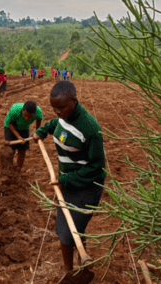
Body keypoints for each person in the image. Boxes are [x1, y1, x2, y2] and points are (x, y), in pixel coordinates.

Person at [33, 81, 106, 278]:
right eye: (54, 109)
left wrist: (67, 179)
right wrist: (43, 130)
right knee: (71, 227)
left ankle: (70, 272)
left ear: (75, 101)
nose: (58, 112)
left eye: (62, 107)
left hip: (87, 186)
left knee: (68, 231)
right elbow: (57, 124)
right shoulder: (63, 116)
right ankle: (77, 269)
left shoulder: (89, 128)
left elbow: (97, 167)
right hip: (67, 182)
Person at [4, 101, 42, 171]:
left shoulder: (38, 112)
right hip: (11, 125)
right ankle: (9, 170)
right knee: (11, 150)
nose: (27, 118)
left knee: (22, 150)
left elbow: (39, 120)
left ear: (34, 114)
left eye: (30, 117)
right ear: (23, 110)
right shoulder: (15, 110)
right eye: (25, 115)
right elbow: (9, 123)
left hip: (24, 127)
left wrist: (37, 132)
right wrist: (18, 137)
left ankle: (18, 170)